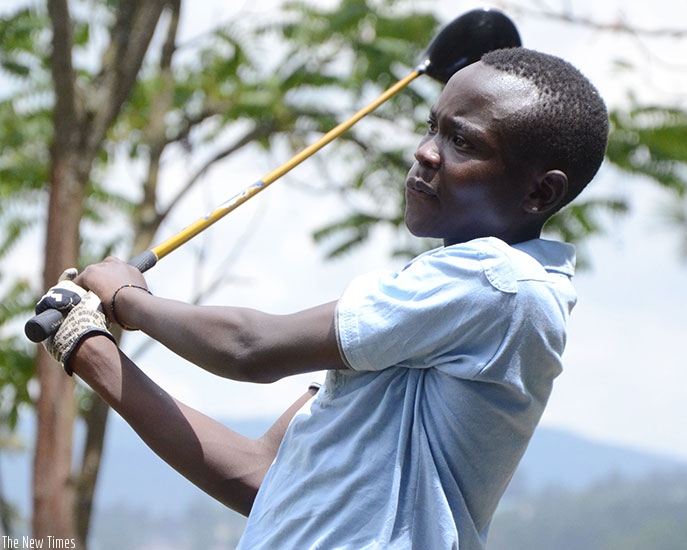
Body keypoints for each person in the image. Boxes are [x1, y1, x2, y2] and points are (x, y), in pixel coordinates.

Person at [36, 47, 609, 549]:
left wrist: (129, 298)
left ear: (541, 191)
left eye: (461, 141)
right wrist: (89, 347)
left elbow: (250, 348)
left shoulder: (499, 283)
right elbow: (260, 474)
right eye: (433, 127)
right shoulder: (426, 305)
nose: (426, 152)